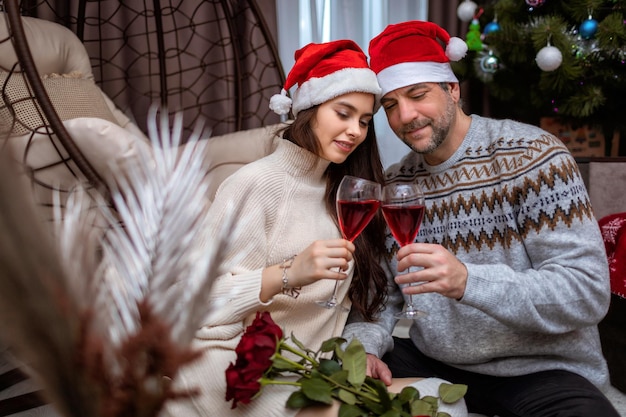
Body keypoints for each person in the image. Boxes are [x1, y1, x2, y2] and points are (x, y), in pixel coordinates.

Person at [342, 20, 620, 417]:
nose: (405, 115)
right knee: (338, 380)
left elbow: (587, 292)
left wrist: (469, 282)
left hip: (541, 370)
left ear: (452, 90)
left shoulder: (533, 156)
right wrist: (365, 347)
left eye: (418, 95)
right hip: (437, 363)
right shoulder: (397, 184)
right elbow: (381, 297)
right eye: (390, 105)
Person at [163, 39, 420, 417]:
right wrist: (288, 273)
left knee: (441, 399)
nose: (355, 131)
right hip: (231, 364)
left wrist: (357, 352)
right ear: (309, 111)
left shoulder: (346, 191)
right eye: (343, 113)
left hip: (304, 366)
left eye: (364, 121)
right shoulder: (255, 183)